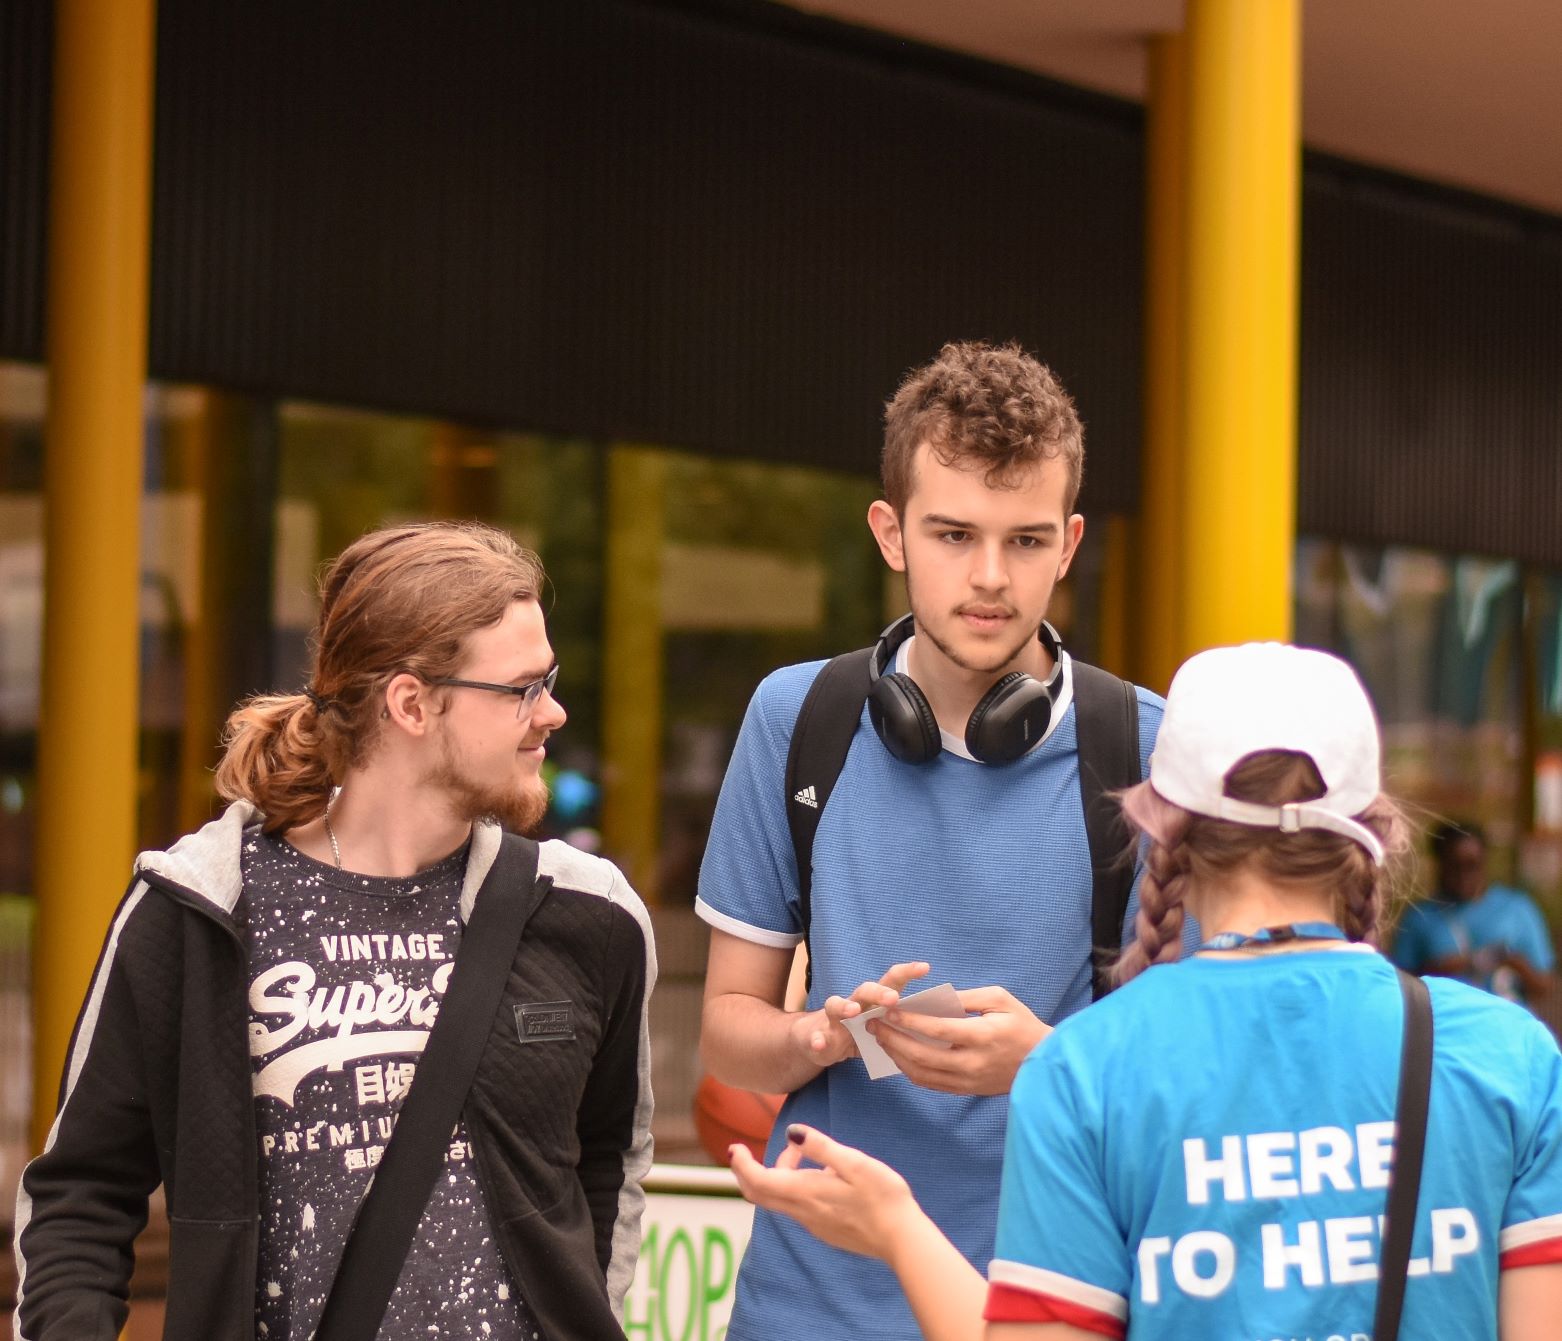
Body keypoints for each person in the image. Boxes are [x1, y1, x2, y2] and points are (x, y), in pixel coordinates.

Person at [731, 642, 1562, 1341]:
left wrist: (895, 1227)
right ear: (1374, 833)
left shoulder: (1088, 1070)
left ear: (1161, 825)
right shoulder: (1511, 1056)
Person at [14, 522, 656, 1341]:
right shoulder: (199, 908)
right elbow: (79, 1196)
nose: (553, 713)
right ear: (412, 703)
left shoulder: (587, 913)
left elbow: (611, 1162)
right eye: (524, 688)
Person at [696, 341, 1166, 1340]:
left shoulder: (1147, 750)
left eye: (1026, 541)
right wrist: (813, 1039)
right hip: (805, 1304)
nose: (989, 578)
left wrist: (1042, 1062)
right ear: (889, 531)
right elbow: (726, 1034)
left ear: (1070, 541)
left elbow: (1192, 1091)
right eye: (953, 533)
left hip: (1051, 1302)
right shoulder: (796, 718)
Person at [1392, 819, 1556, 1006]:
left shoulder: (1517, 909)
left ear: (1485, 860)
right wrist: (1449, 967)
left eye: (1472, 865)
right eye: (1454, 866)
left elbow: (1544, 984)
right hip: (1445, 1027)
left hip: (1504, 1025)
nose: (1464, 876)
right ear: (1439, 864)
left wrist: (1512, 962)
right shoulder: (1419, 917)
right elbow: (1399, 986)